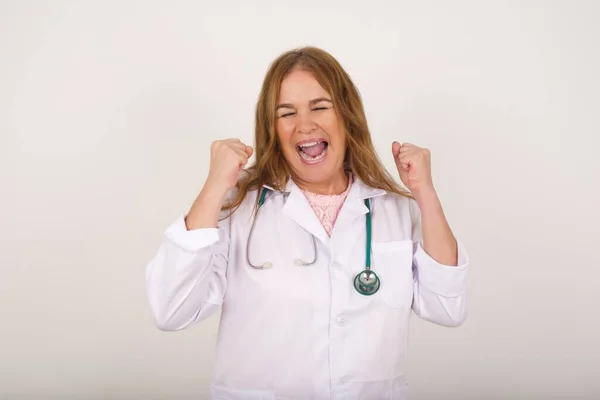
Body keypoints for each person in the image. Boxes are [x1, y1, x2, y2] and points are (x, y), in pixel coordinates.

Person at [145, 46, 469, 399]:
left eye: (320, 106)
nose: (305, 125)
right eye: (287, 113)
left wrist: (426, 194)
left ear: (347, 116)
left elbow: (447, 307)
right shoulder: (238, 208)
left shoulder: (394, 208)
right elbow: (170, 309)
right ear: (272, 129)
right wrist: (214, 186)